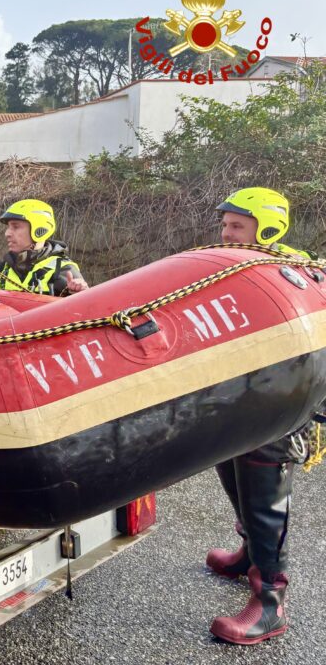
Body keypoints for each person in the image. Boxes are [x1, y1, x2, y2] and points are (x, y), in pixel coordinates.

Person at [207, 187, 313, 644]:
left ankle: (270, 603)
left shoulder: (297, 274)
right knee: (233, 476)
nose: (226, 234)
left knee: (266, 494)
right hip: (238, 400)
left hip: (280, 409)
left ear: (265, 229)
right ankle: (248, 553)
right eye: (225, 225)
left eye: (237, 227)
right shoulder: (227, 264)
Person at [0, 199, 88, 295]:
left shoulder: (63, 270)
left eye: (15, 227)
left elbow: (83, 314)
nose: (7, 233)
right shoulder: (1, 269)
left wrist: (79, 293)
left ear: (39, 230)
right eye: (8, 227)